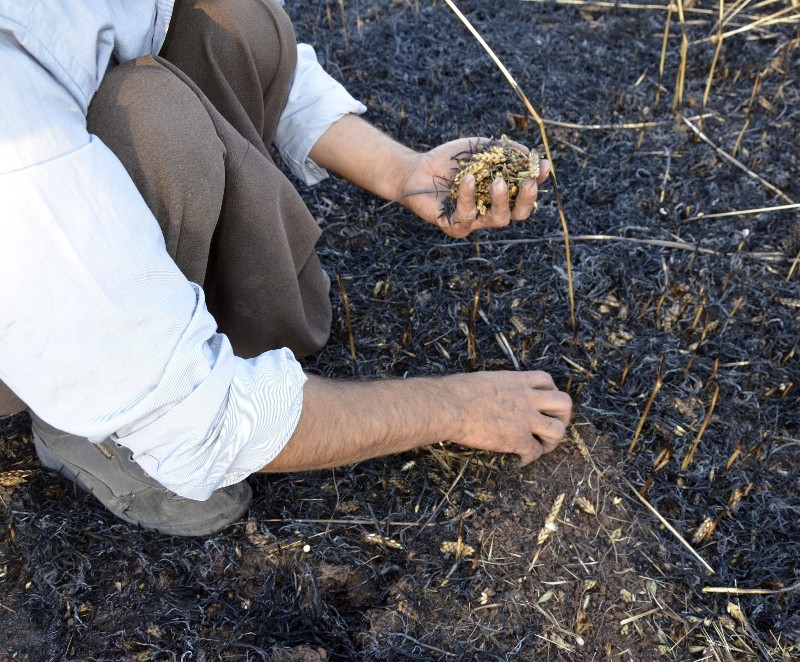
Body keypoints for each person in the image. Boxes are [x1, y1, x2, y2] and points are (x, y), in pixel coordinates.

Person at [0, 0, 572, 536]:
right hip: (26, 284)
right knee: (154, 123)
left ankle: (203, 321)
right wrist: (455, 408)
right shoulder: (18, 130)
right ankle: (90, 427)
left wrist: (402, 171)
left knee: (235, 17)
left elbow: (180, 27)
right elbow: (206, 423)